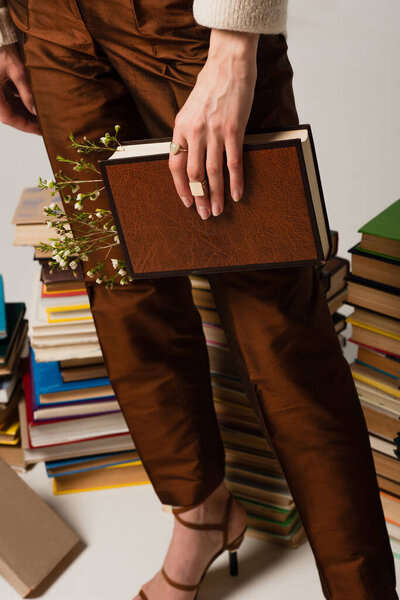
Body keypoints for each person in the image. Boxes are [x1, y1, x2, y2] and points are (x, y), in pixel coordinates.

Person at [0, 1, 398, 598]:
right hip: (51, 27)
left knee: (277, 327)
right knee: (125, 297)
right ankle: (203, 516)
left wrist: (236, 43)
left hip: (183, 23)